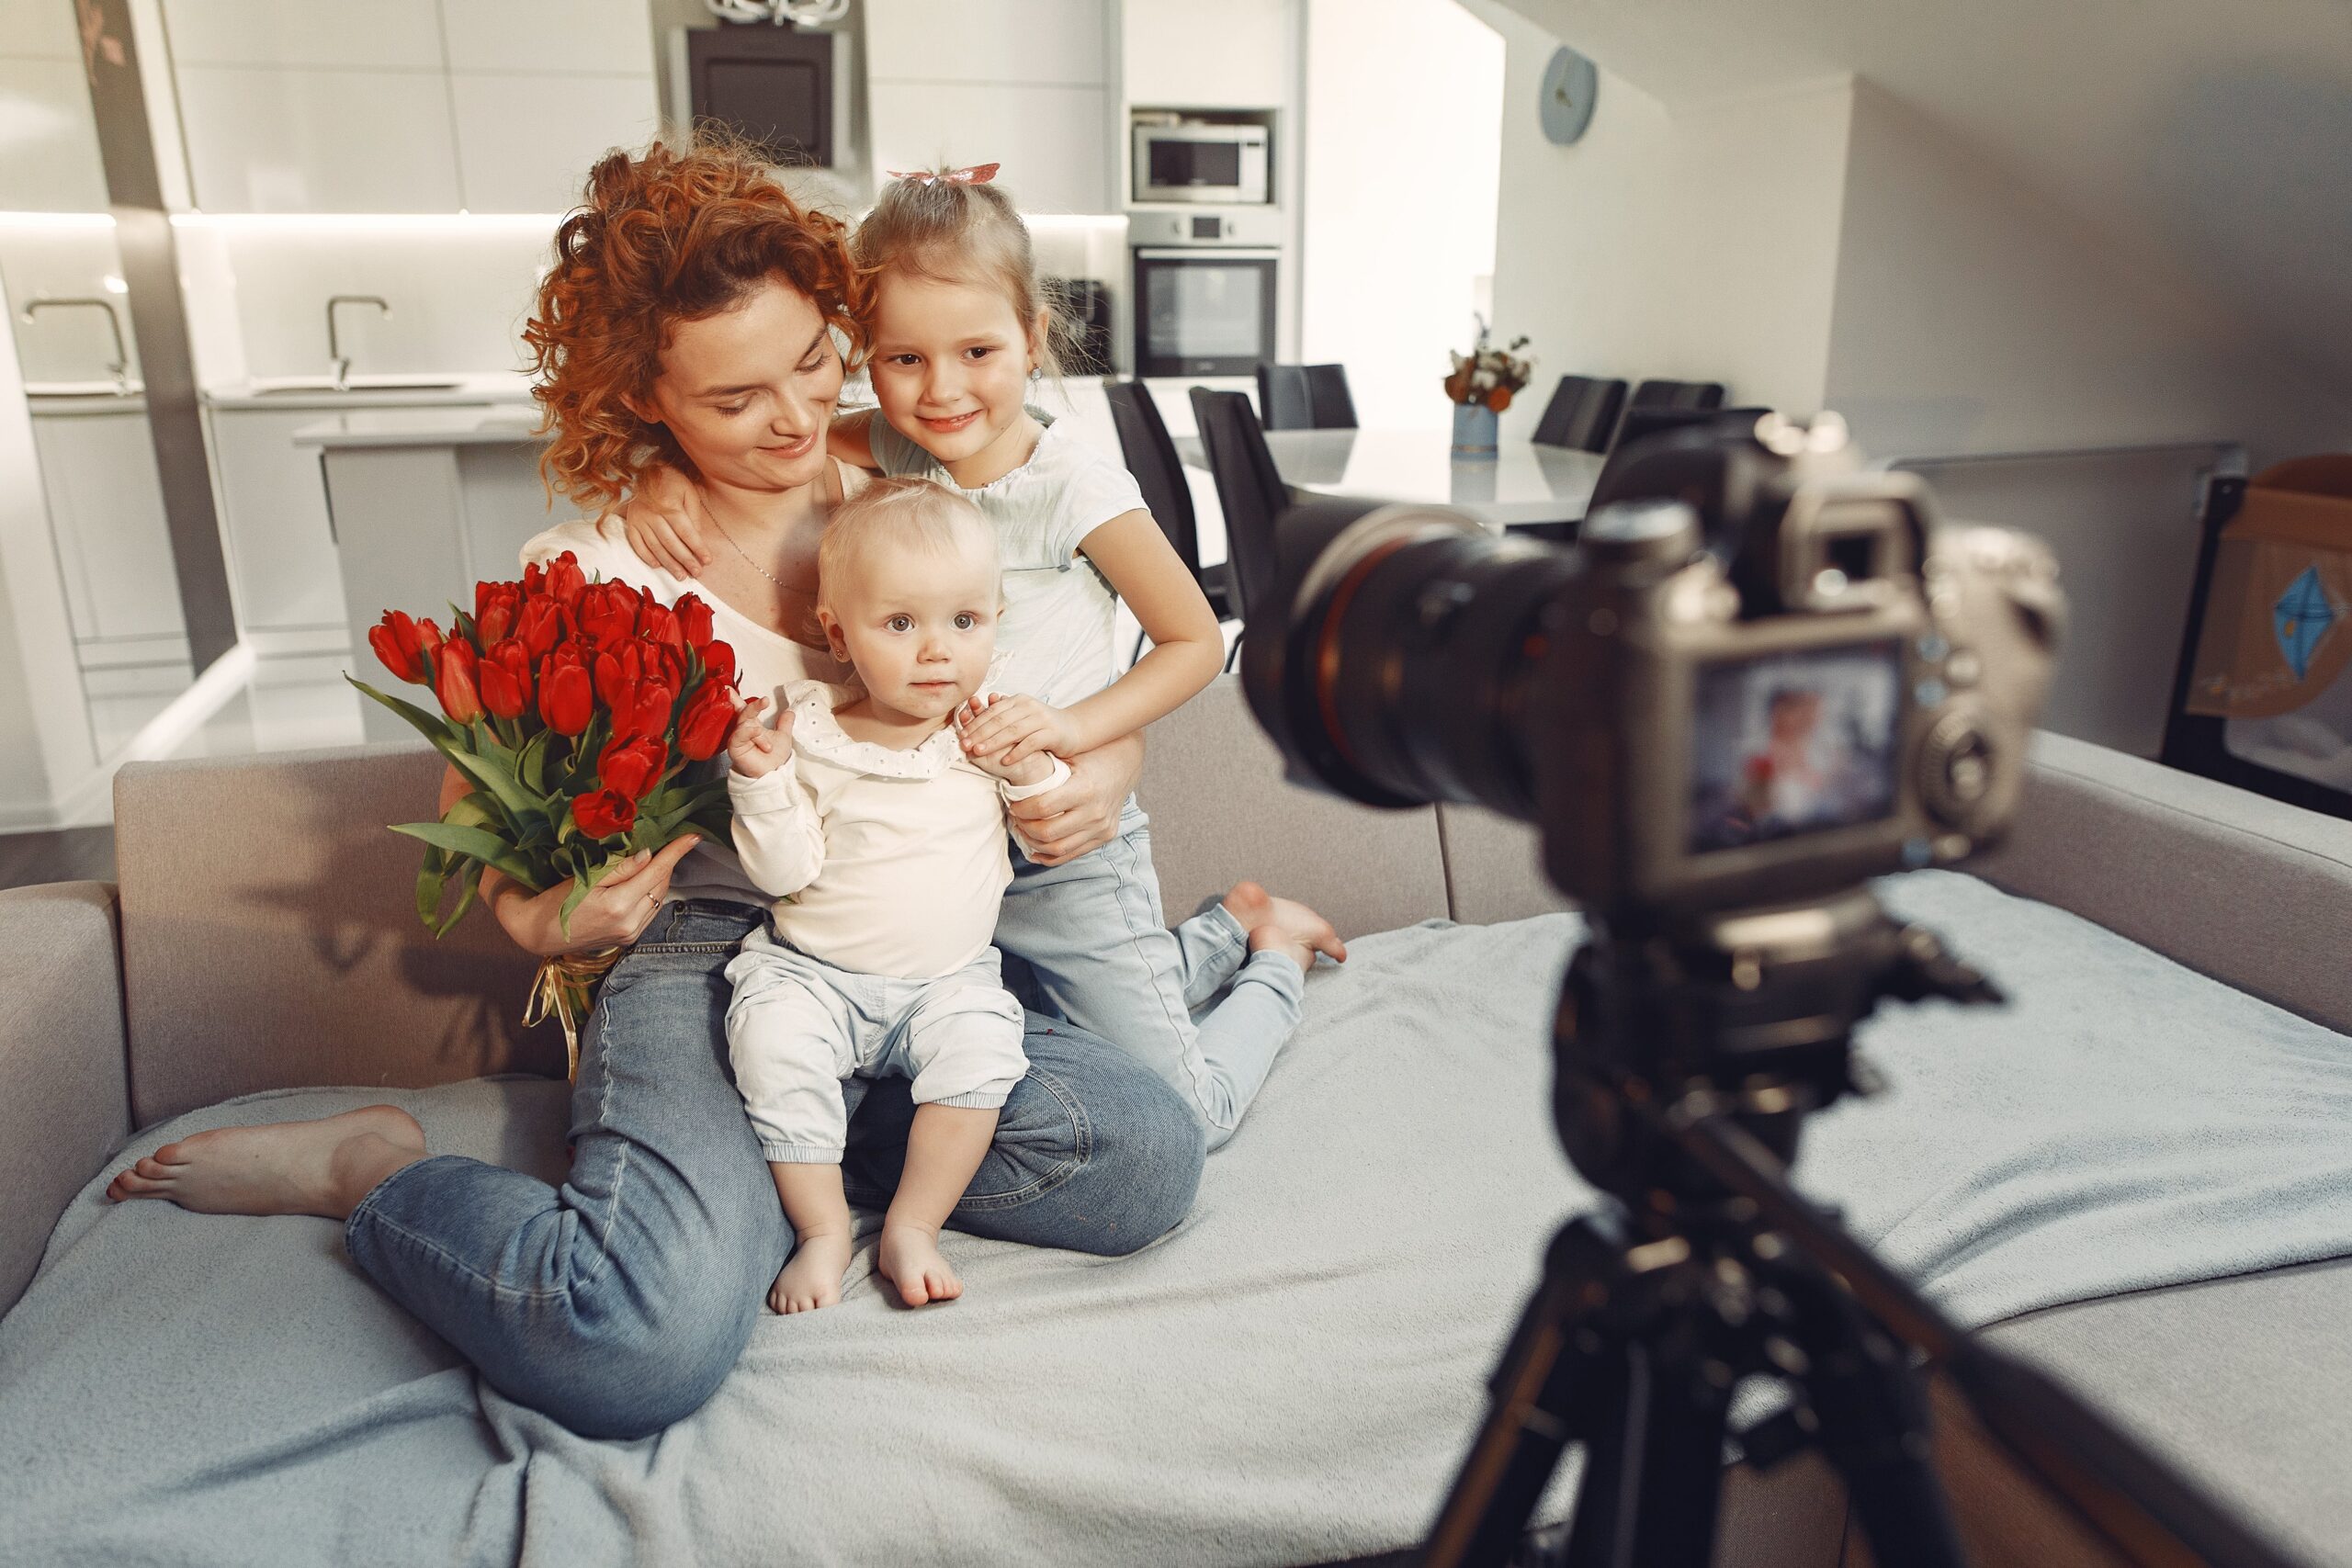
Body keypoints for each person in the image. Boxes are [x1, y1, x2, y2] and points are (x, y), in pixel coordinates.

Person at [101, 140, 1204, 1441]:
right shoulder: (594, 565)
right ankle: (378, 1171)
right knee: (632, 1340)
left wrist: (1112, 757)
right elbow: (522, 887)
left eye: (812, 361)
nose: (795, 421)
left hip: (915, 947)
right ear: (646, 400)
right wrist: (547, 923)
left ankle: (787, 1141)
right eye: (736, 400)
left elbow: (1080, 661)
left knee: (1145, 1155)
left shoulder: (919, 475)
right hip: (715, 944)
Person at [623, 164, 1347, 1151]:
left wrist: (1076, 729)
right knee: (1057, 1029)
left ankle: (1271, 950)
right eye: (903, 359)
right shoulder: (891, 446)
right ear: (868, 359)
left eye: (977, 351)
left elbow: (1192, 642)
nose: (943, 388)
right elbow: (749, 444)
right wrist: (658, 474)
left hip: (1060, 854)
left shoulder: (1074, 488)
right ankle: (1217, 934)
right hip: (945, 860)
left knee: (1189, 1114)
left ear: (1033, 338)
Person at [722, 479, 1065, 1314]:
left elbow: (1047, 822)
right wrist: (762, 785)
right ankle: (824, 1229)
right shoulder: (807, 730)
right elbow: (782, 873)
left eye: (964, 621)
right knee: (771, 1046)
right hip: (812, 973)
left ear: (995, 620)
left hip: (946, 980)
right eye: (900, 623)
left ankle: (914, 1222)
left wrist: (1029, 768)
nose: (937, 650)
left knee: (984, 1054)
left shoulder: (989, 725)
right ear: (837, 632)